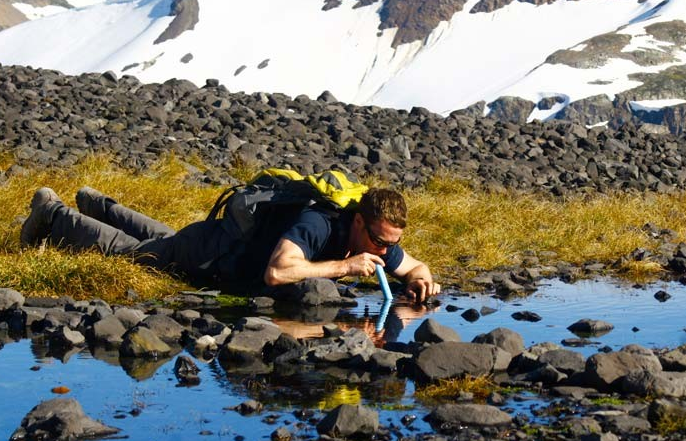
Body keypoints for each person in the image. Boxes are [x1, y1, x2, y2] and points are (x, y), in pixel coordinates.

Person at [20, 186, 440, 302]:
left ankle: (98, 203)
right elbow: (278, 271)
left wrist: (423, 281)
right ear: (360, 221)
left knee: (163, 239)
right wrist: (342, 268)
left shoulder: (379, 242)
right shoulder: (318, 224)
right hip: (213, 253)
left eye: (392, 244)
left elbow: (415, 267)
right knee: (140, 256)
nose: (386, 251)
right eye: (379, 241)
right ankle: (54, 213)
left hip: (218, 243)